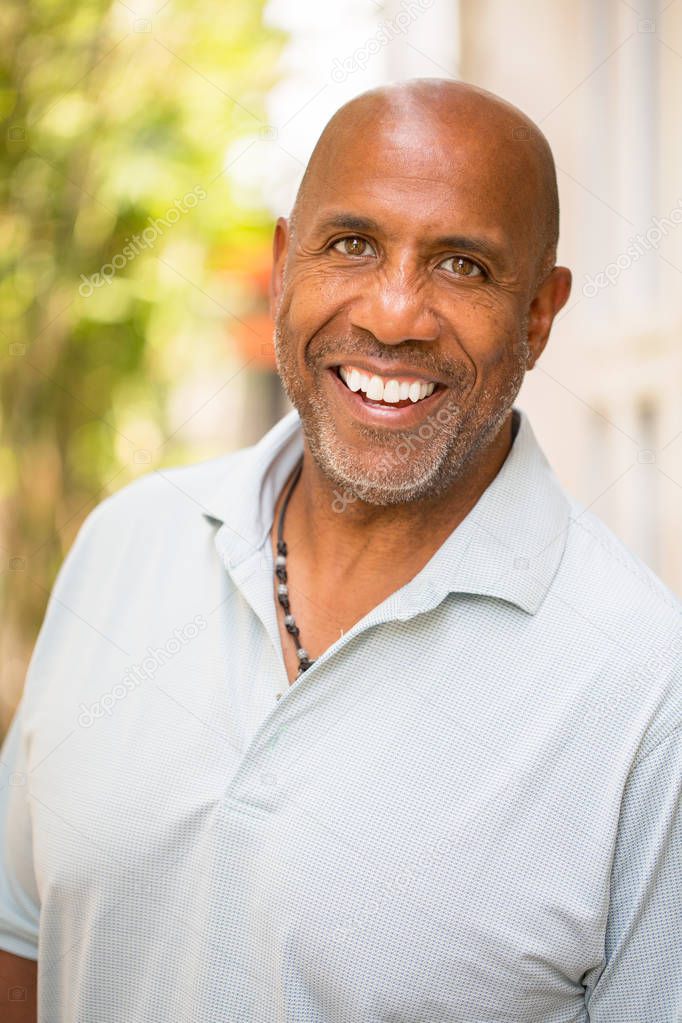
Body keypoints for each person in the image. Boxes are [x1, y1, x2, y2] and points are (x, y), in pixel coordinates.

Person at [0, 78, 680, 1022]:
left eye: (464, 266)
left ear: (538, 313)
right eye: (352, 245)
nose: (395, 314)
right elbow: (25, 947)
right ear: (285, 264)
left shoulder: (651, 691)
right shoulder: (126, 541)